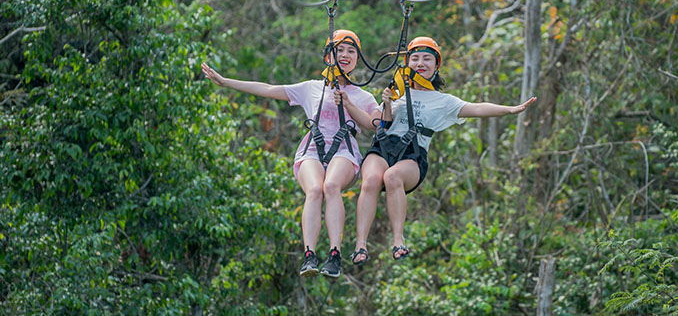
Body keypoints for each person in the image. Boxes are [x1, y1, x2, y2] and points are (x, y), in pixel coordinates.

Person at [338, 36, 537, 264]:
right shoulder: (397, 91)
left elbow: (478, 108)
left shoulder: (444, 102)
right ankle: (360, 245)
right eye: (415, 59)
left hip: (412, 155)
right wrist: (386, 104)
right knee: (371, 179)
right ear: (407, 63)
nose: (420, 63)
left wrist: (511, 110)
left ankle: (398, 240)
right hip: (384, 147)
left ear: (436, 65)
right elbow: (379, 124)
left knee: (393, 177)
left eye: (426, 59)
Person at [201, 29, 379, 278]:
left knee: (331, 186)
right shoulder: (311, 88)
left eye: (351, 51)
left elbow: (376, 123)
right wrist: (226, 81)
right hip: (313, 148)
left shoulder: (362, 95)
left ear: (358, 59)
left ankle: (334, 254)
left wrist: (351, 103)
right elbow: (268, 88)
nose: (345, 55)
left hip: (343, 149)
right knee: (315, 189)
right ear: (328, 56)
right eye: (339, 50)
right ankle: (309, 254)